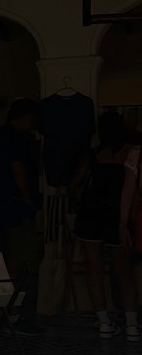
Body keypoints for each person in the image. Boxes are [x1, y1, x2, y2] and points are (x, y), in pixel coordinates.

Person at [73, 111, 140, 341]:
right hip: (117, 216)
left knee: (94, 270)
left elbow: (76, 181)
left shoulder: (93, 155)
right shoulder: (131, 153)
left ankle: (103, 323)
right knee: (124, 271)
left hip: (90, 215)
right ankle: (132, 325)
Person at [0, 98, 42, 335]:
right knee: (16, 259)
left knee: (6, 258)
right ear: (25, 118)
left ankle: (3, 310)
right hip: (15, 209)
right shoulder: (15, 140)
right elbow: (18, 169)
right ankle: (10, 312)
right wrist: (27, 197)